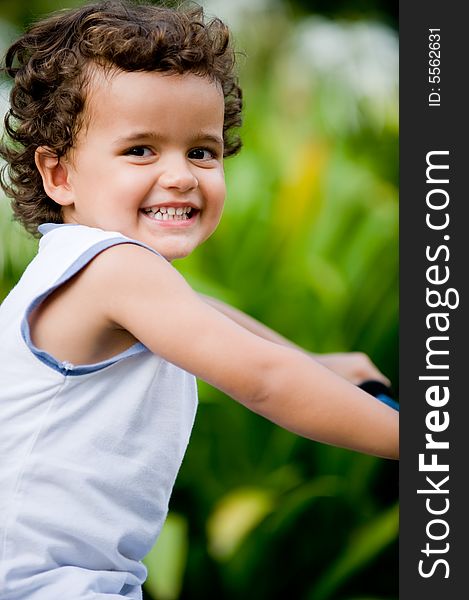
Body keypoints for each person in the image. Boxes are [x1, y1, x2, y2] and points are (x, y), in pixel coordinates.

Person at [0, 1, 398, 598]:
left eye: (201, 151)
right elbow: (264, 380)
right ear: (59, 175)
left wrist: (321, 365)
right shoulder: (115, 268)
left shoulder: (89, 268)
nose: (181, 175)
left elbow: (211, 319)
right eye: (140, 150)